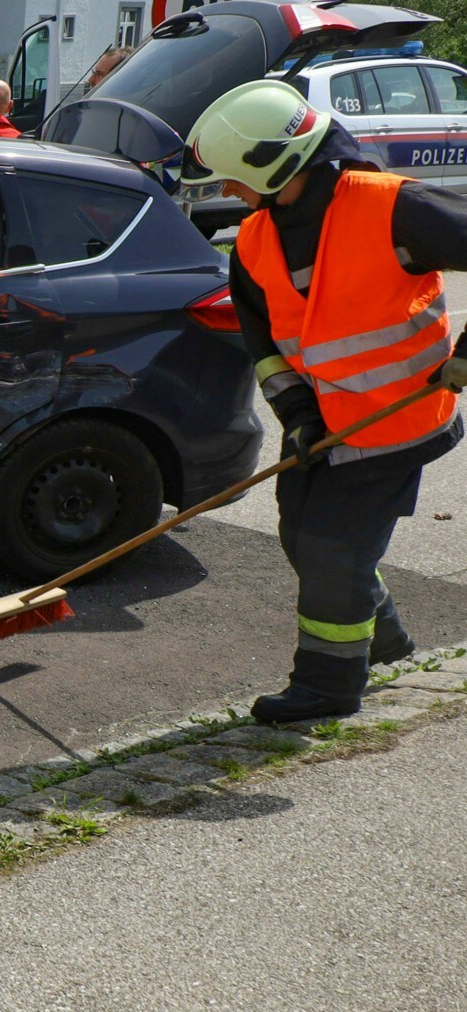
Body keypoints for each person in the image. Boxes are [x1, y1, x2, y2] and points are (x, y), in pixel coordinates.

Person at [182, 80, 465, 722]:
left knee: (335, 551)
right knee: (301, 538)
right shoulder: (254, 242)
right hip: (324, 424)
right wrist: (300, 417)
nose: (227, 191)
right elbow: (267, 347)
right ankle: (382, 634)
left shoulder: (395, 207)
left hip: (398, 420)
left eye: (232, 177)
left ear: (273, 164)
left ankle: (329, 687)